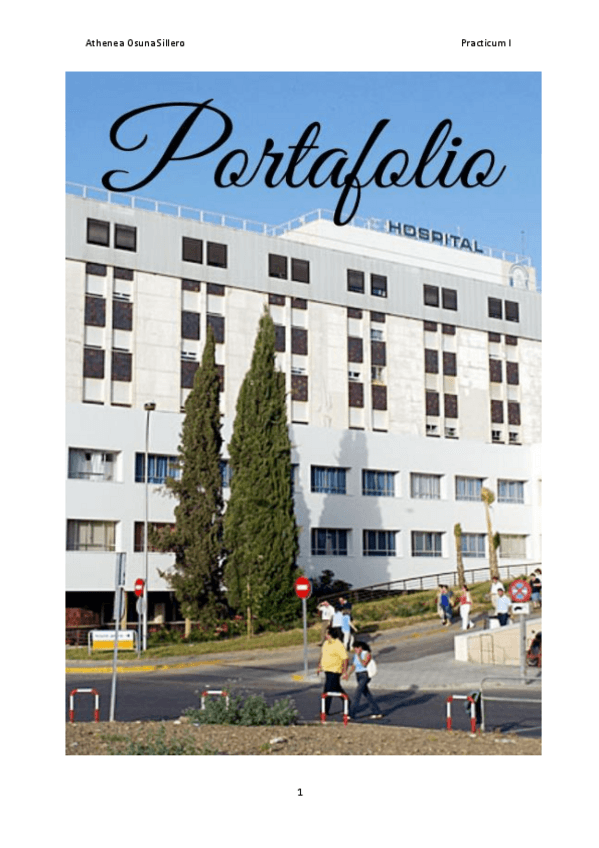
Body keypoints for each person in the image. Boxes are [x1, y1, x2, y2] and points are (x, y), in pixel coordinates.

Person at [344, 641, 383, 720]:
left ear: (361, 648)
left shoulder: (367, 654)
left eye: (356, 648)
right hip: (358, 675)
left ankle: (351, 713)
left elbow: (364, 664)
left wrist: (359, 656)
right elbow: (354, 666)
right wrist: (348, 674)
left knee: (357, 693)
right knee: (367, 695)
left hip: (365, 675)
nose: (355, 649)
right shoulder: (355, 655)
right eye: (354, 648)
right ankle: (377, 711)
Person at [316, 627, 349, 716]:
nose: (325, 635)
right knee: (336, 688)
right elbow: (322, 655)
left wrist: (345, 671)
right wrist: (319, 666)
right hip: (327, 669)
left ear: (331, 635)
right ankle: (347, 702)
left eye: (327, 634)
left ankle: (324, 711)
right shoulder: (326, 643)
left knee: (327, 689)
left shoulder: (338, 644)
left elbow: (345, 658)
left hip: (335, 670)